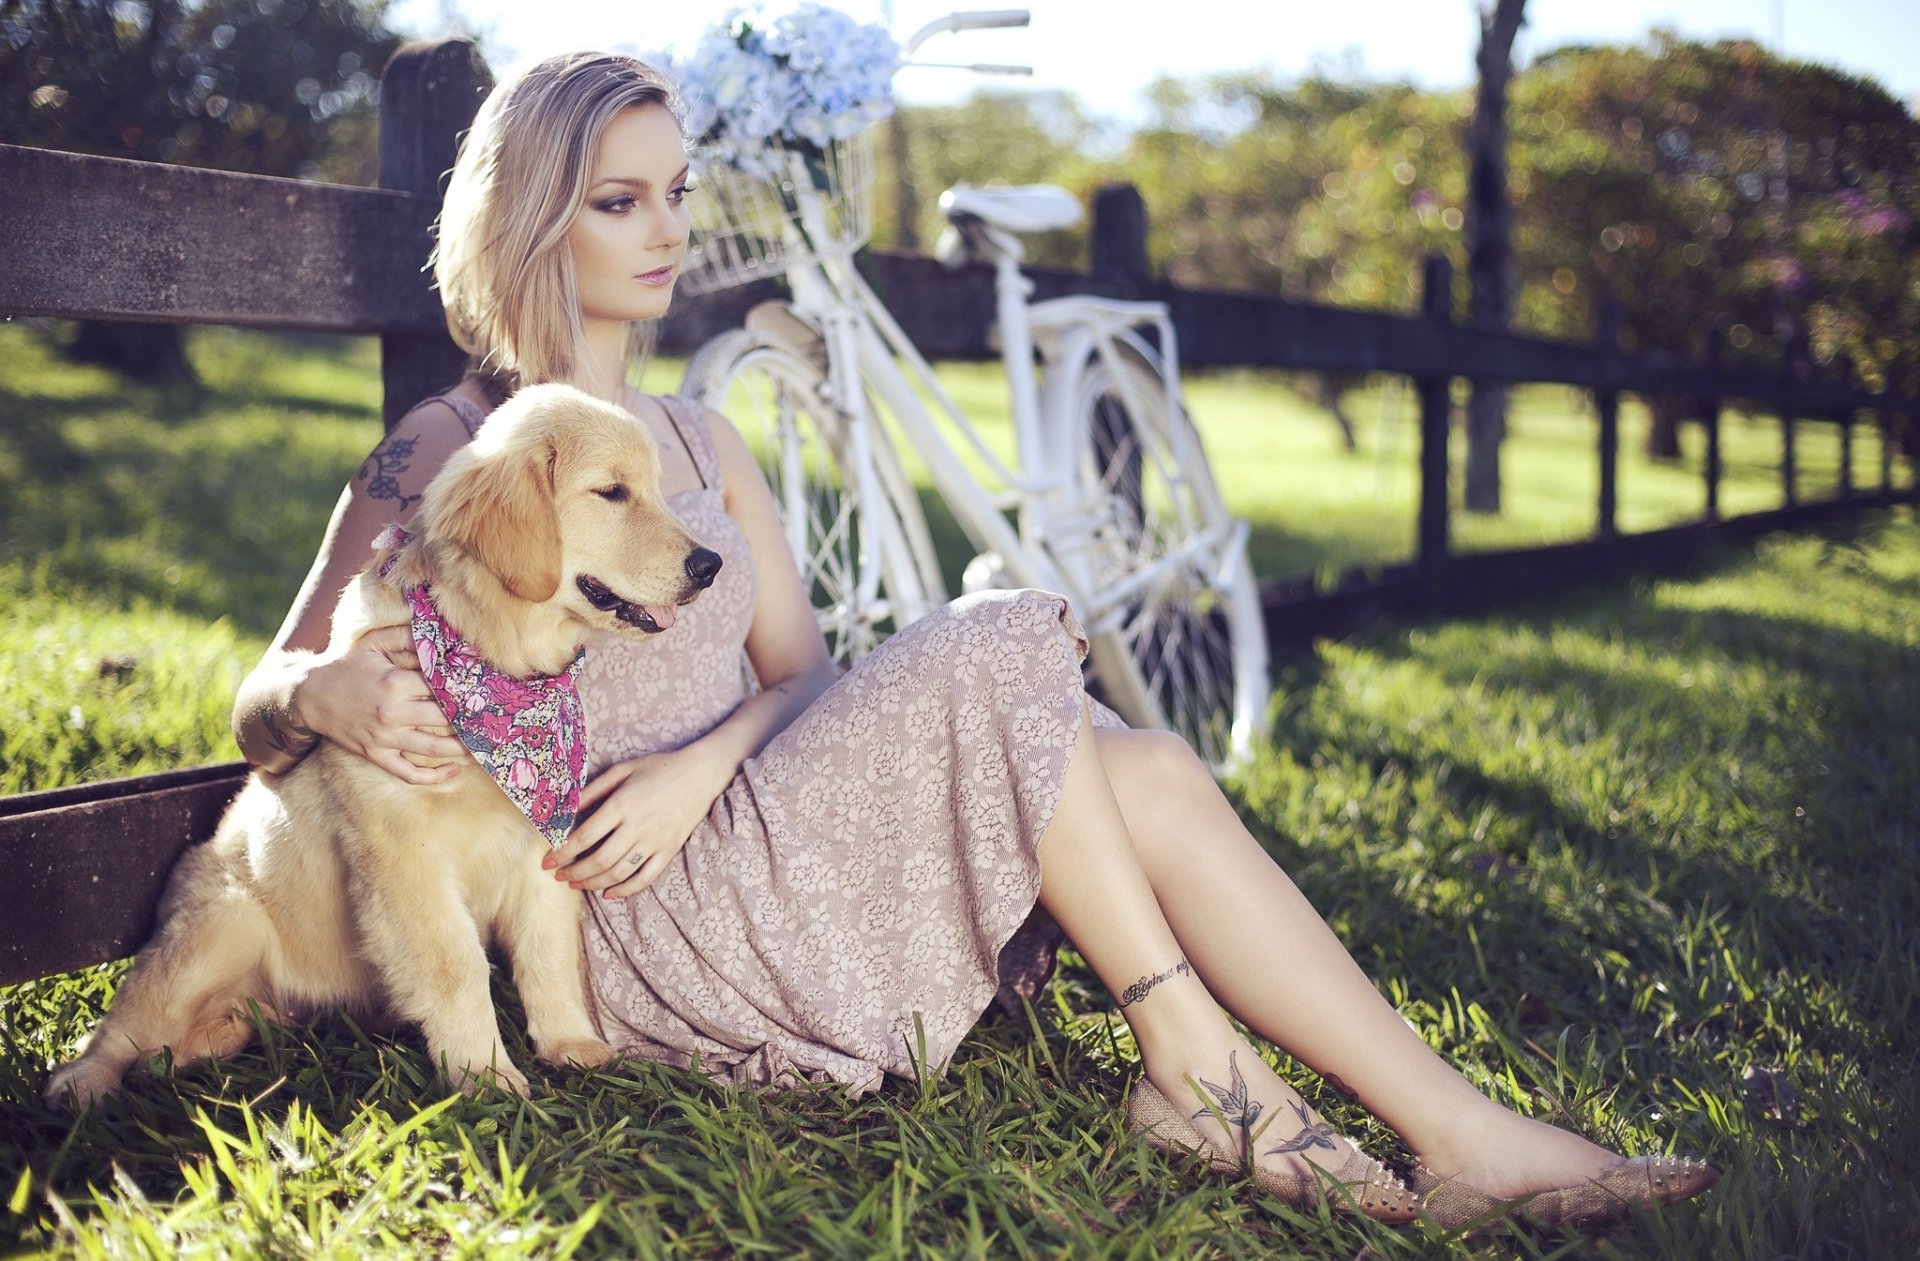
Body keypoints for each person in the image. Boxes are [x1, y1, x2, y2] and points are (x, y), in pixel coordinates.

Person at [232, 50, 1717, 1229]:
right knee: (1001, 632)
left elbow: (802, 677)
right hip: (619, 914)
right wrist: (325, 688)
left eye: (677, 191)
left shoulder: (702, 442)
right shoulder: (451, 447)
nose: (670, 229)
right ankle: (1194, 1063)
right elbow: (261, 695)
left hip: (742, 824)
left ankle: (1455, 1132)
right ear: (531, 215)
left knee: (1145, 768)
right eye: (620, 200)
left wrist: (702, 765)